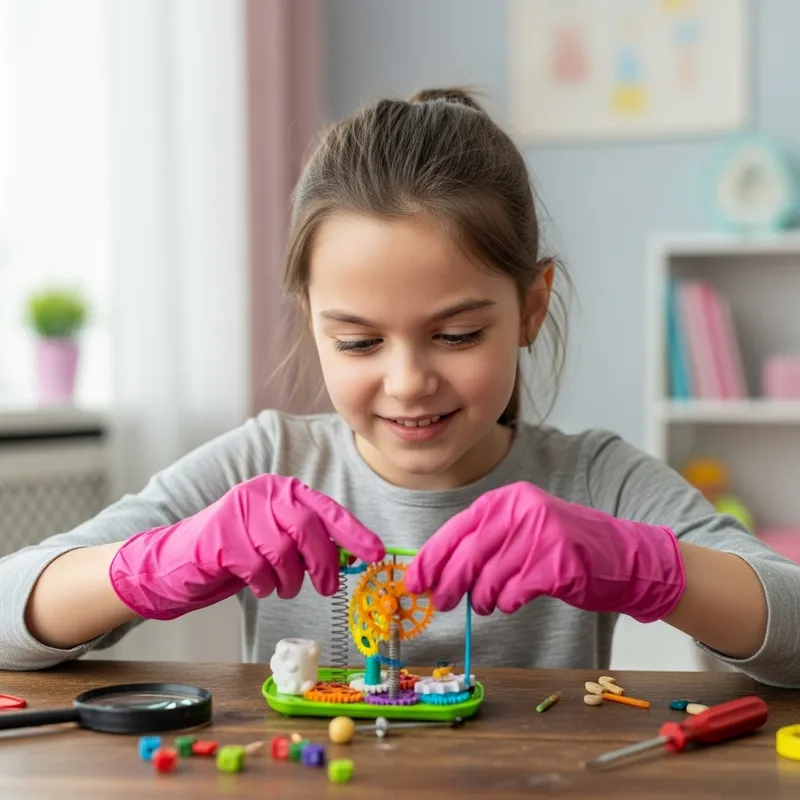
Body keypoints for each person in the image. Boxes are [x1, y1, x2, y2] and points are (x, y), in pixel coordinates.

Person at [1, 88, 798, 688]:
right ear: (312, 323)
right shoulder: (264, 462)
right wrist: (156, 564)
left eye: (457, 335)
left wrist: (642, 564)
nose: (409, 382)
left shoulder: (594, 480)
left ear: (531, 306)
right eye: (357, 342)